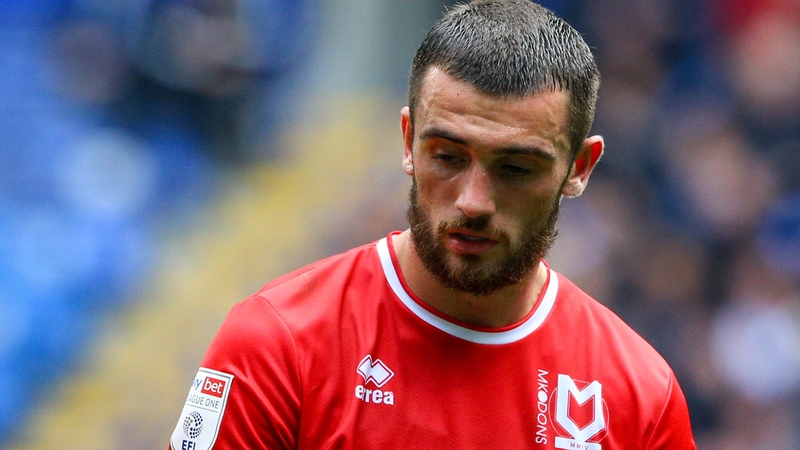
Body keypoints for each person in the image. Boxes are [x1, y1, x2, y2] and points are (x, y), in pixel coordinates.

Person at [168, 1, 697, 448]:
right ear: (407, 141)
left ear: (578, 169)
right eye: (446, 156)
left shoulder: (638, 396)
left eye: (515, 168)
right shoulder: (278, 343)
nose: (473, 201)